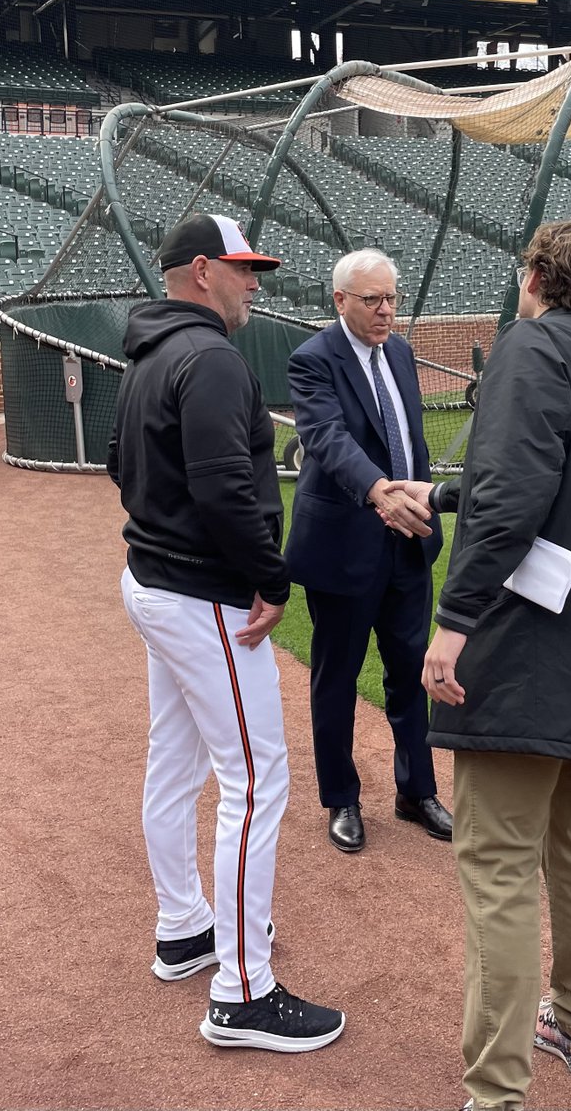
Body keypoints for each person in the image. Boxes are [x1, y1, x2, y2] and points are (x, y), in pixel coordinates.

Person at [403, 220, 571, 1111]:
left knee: (501, 866)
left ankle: (497, 1093)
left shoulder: (534, 344)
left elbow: (514, 494)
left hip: (527, 651)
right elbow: (562, 483)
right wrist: (437, 492)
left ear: (540, 276)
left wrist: (454, 618)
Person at [108, 212, 345, 1053]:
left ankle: (184, 929)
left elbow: (116, 463)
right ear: (202, 271)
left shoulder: (149, 349)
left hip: (154, 582)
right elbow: (221, 490)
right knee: (254, 779)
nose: (256, 283)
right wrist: (270, 580)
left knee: (175, 764)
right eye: (245, 270)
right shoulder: (208, 355)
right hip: (204, 594)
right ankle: (241, 992)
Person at [285, 247, 452, 854]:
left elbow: (410, 437)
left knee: (411, 674)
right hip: (345, 547)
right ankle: (342, 799)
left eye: (391, 299)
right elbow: (325, 438)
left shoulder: (401, 353)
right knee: (337, 679)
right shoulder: (313, 360)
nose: (386, 311)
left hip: (410, 542)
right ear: (340, 301)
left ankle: (417, 791)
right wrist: (380, 492)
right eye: (372, 300)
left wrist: (422, 504)